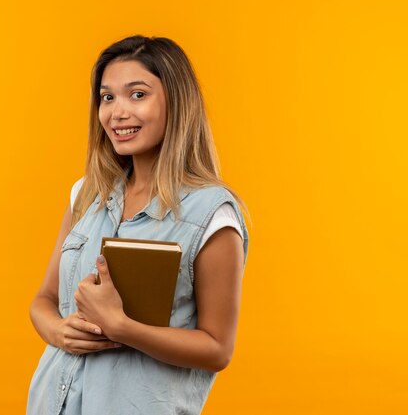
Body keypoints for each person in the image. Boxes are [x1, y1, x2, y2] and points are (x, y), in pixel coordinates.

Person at [27, 35, 250, 414]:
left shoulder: (213, 215)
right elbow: (44, 301)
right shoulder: (87, 194)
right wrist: (58, 332)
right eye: (107, 97)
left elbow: (217, 349)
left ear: (176, 104)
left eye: (137, 94)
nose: (117, 112)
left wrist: (121, 327)